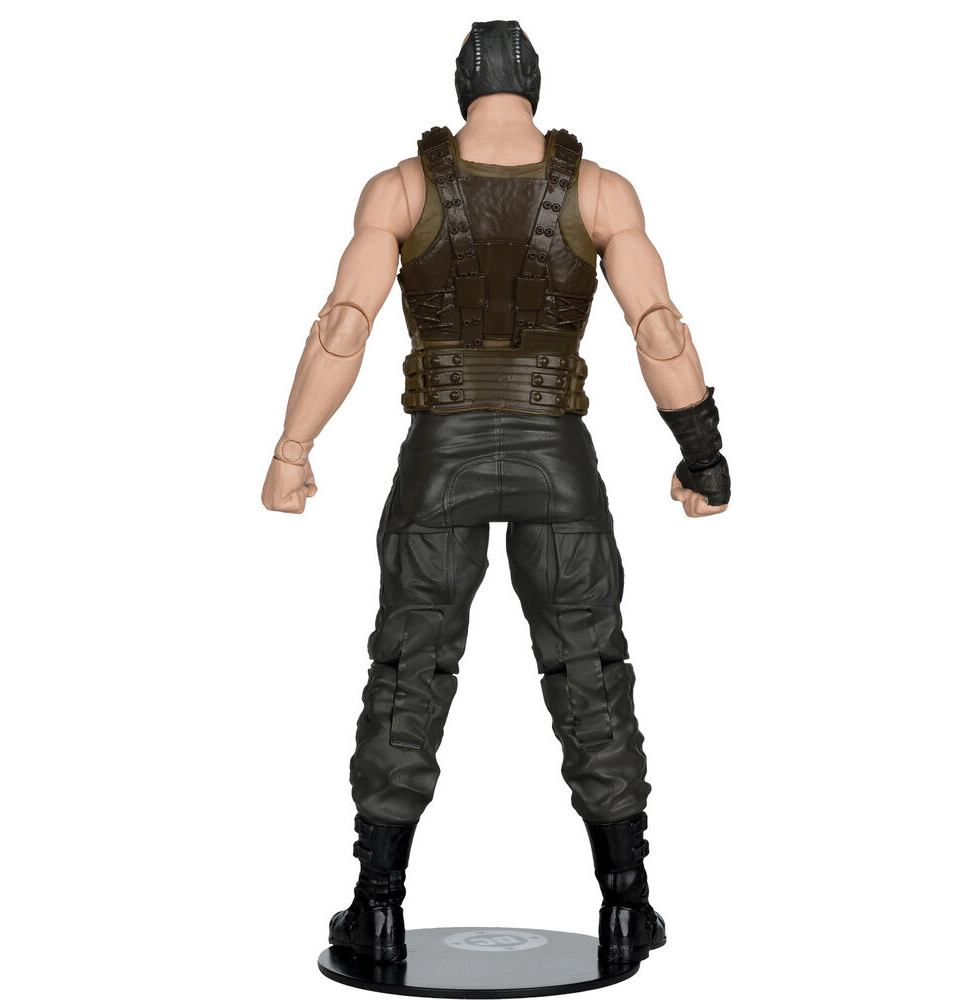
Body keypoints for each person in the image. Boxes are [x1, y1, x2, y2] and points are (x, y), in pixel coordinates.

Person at [261, 20, 731, 966]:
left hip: (442, 457)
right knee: (590, 668)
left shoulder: (401, 189)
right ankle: (627, 904)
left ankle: (377, 908)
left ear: (461, 87)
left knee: (410, 670)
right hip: (558, 457)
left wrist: (292, 448)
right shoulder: (600, 191)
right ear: (535, 85)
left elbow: (344, 325)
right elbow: (659, 328)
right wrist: (702, 452)